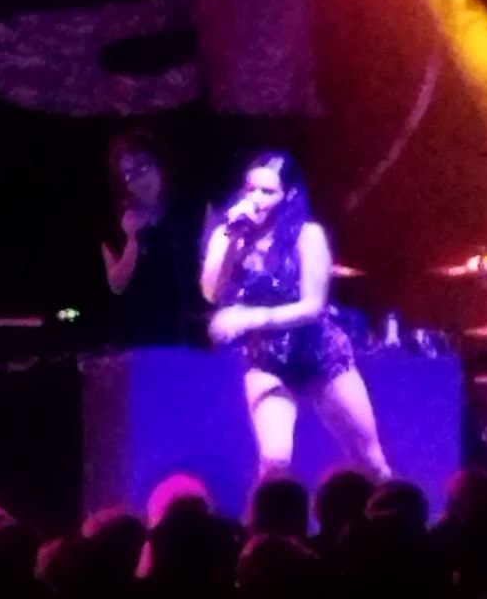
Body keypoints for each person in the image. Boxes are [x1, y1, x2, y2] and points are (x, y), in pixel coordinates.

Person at [201, 151, 390, 482]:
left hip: (321, 353)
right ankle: (270, 515)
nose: (256, 199)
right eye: (250, 189)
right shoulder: (227, 235)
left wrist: (249, 319)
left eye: (267, 192)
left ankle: (392, 510)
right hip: (267, 358)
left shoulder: (307, 235)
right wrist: (232, 237)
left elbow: (312, 306)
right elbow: (211, 292)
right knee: (275, 459)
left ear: (288, 195)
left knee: (371, 462)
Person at [101, 132, 199, 347]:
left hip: (189, 335)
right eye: (129, 175)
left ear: (160, 165)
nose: (139, 181)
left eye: (143, 168)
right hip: (138, 339)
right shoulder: (117, 224)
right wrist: (132, 239)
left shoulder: (189, 210)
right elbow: (117, 285)